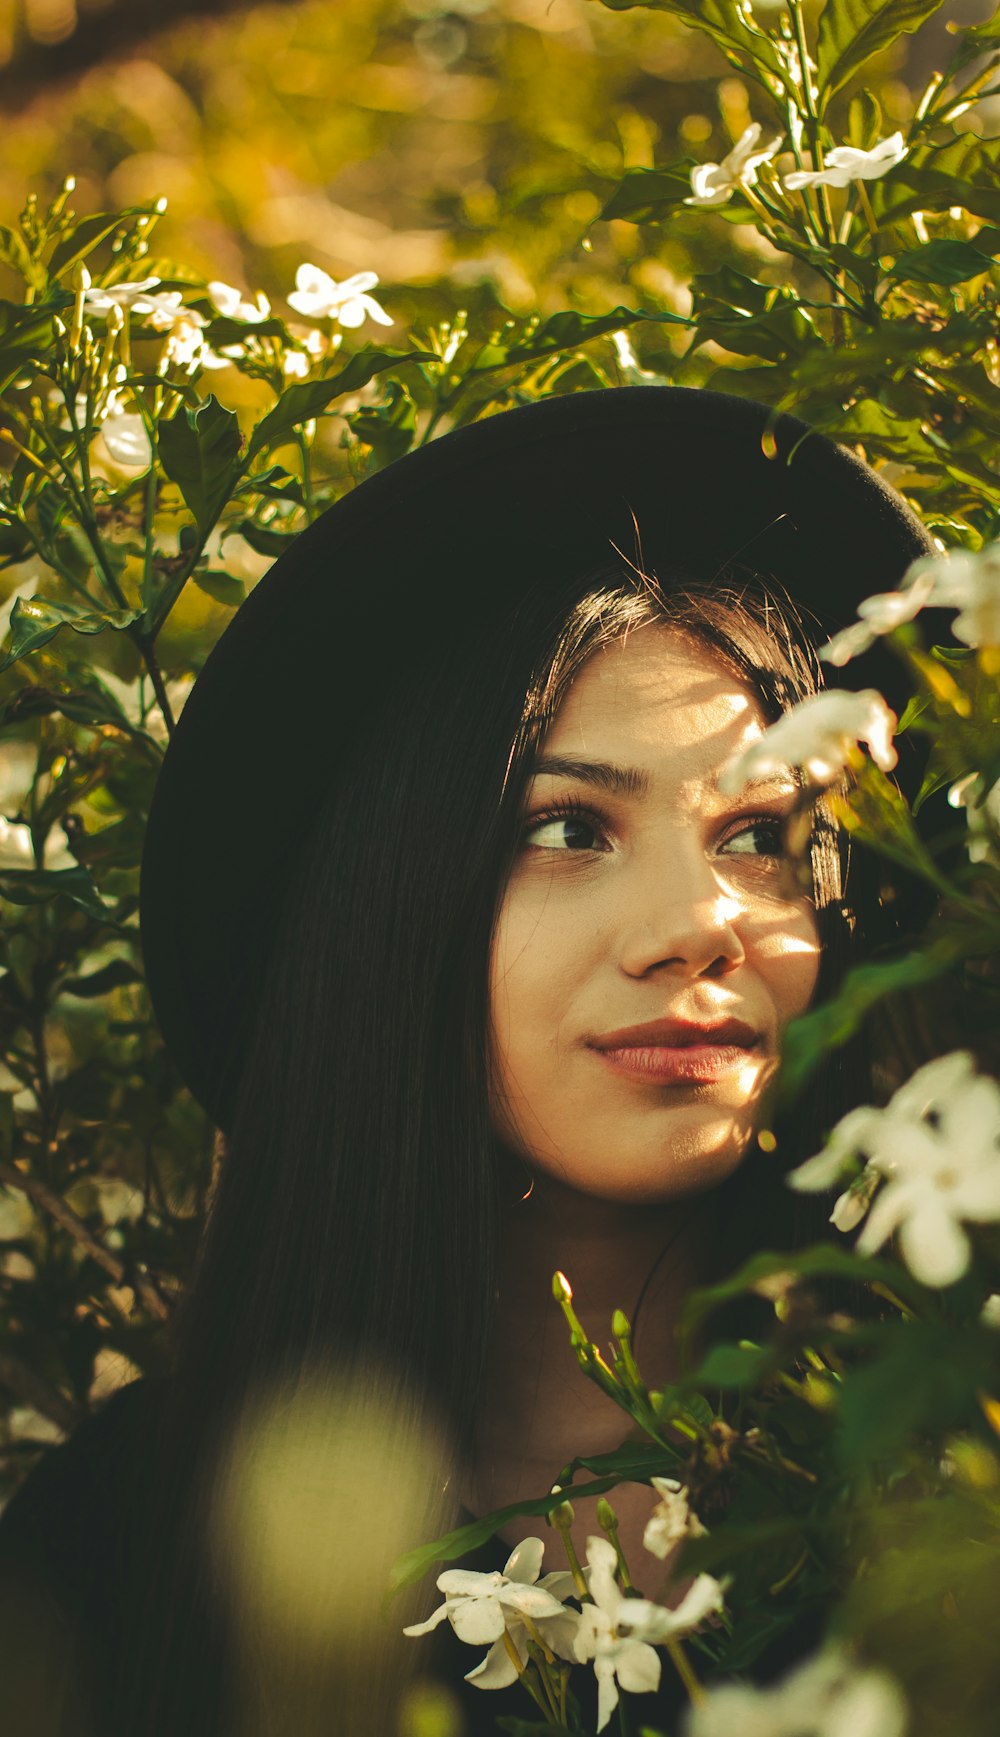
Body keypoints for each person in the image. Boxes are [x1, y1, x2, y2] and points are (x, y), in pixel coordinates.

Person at [0, 386, 940, 1736]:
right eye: (569, 829)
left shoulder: (947, 1470)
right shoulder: (119, 1549)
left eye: (764, 837)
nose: (696, 926)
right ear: (389, 904)